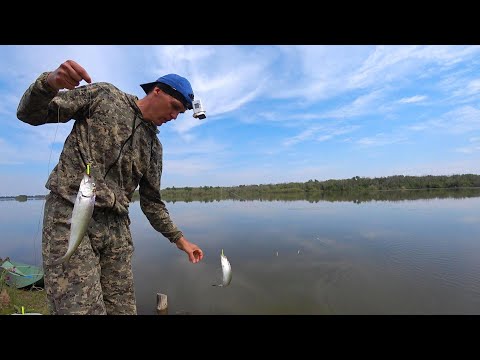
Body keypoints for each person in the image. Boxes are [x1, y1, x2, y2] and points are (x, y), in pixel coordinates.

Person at [16, 59, 204, 315]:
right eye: (174, 107)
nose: (173, 117)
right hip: (70, 216)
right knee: (80, 309)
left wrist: (180, 240)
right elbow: (30, 114)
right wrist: (48, 83)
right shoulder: (104, 96)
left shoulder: (153, 147)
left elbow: (152, 203)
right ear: (157, 91)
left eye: (180, 113)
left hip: (117, 232)